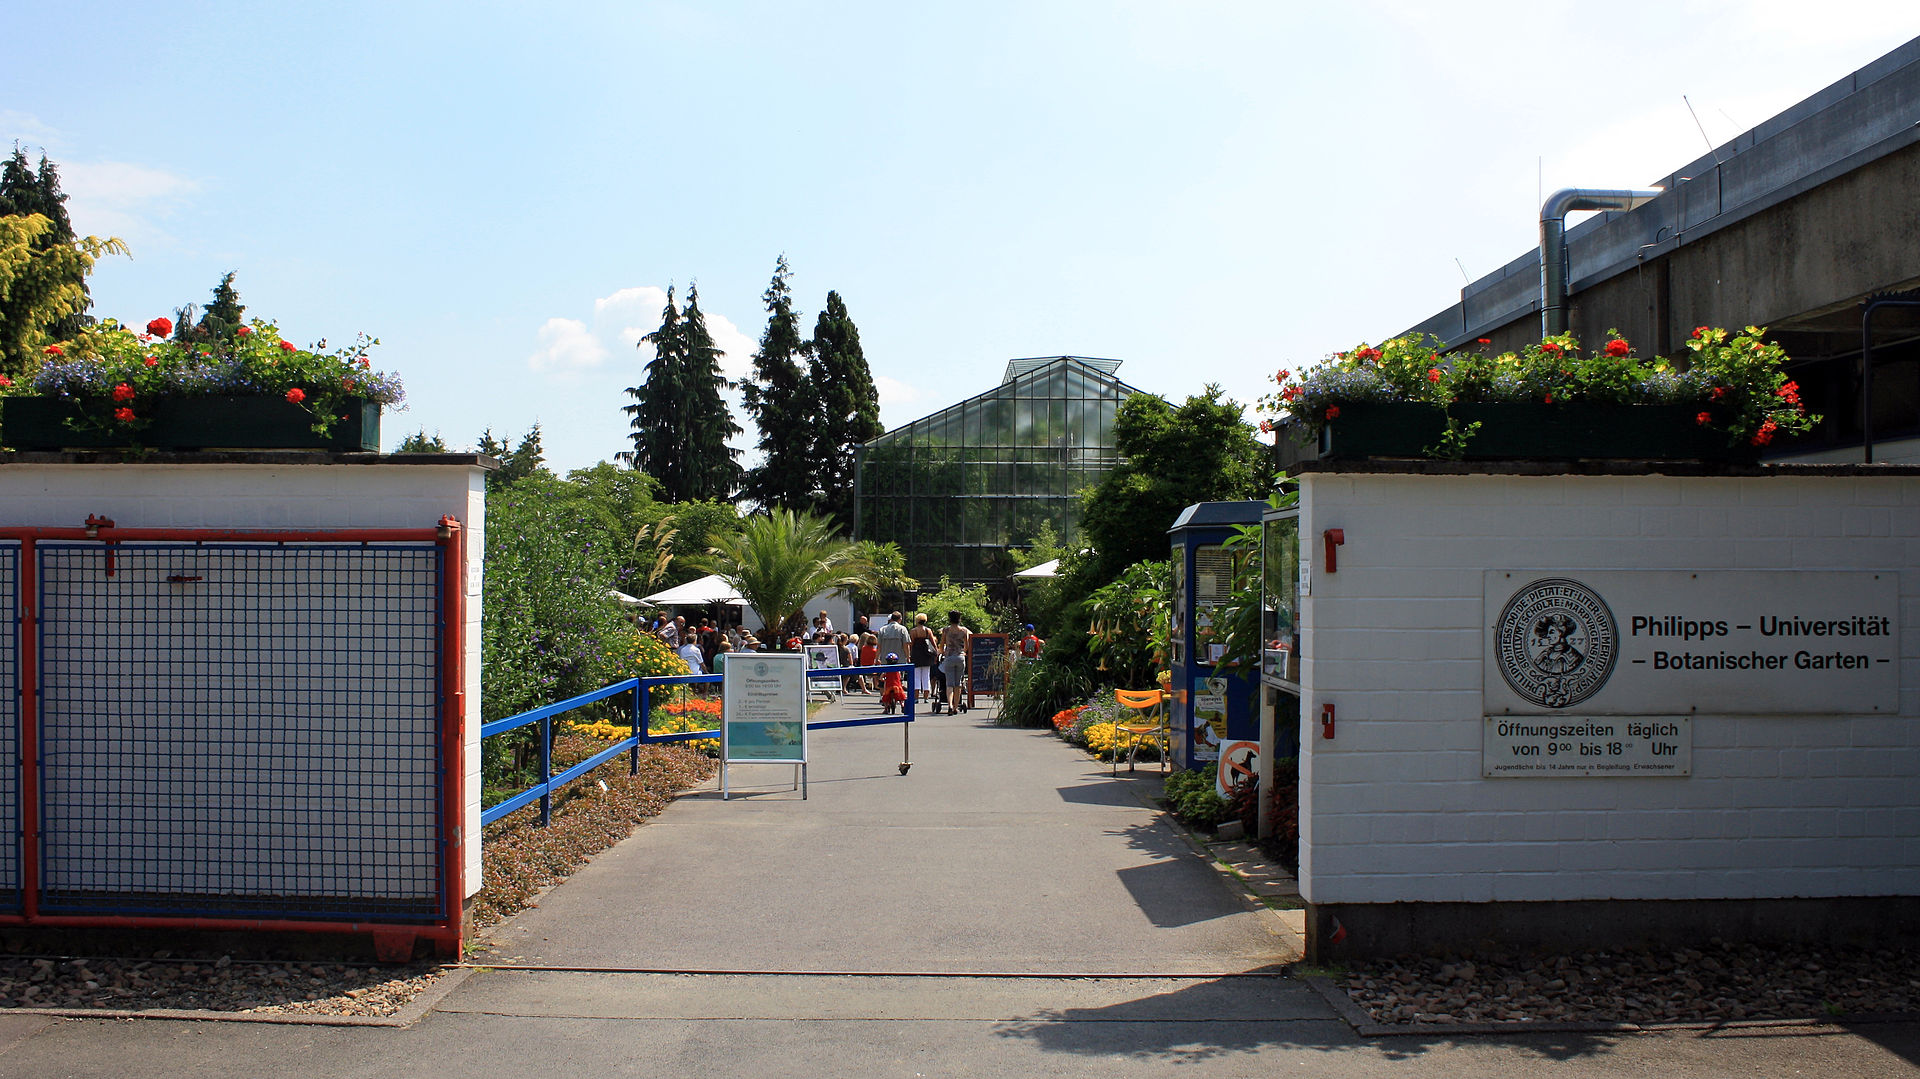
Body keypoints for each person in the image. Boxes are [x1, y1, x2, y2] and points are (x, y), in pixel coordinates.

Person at [939, 609, 971, 714]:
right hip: (960, 656)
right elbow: (967, 646)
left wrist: (942, 652)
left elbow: (942, 644)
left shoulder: (946, 630)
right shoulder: (964, 630)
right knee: (958, 684)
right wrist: (964, 652)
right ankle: (955, 707)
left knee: (949, 684)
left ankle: (949, 704)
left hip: (949, 656)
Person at [908, 612, 939, 710]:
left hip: (916, 654)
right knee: (926, 675)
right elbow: (933, 643)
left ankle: (916, 697)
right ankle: (926, 697)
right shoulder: (927, 630)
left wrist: (909, 655)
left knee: (916, 676)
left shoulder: (913, 631)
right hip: (927, 654)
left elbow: (911, 644)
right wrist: (936, 654)